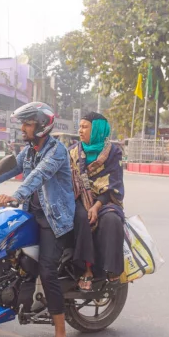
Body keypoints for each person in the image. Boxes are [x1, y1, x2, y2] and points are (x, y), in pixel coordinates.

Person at [0, 102, 74, 337]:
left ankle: (61, 336)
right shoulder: (27, 152)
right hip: (30, 215)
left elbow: (38, 175)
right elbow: (0, 174)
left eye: (28, 124)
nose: (23, 129)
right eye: (23, 124)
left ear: (41, 126)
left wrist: (16, 194)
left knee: (47, 271)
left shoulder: (57, 151)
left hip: (54, 220)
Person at [69, 112, 125, 292]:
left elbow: (113, 183)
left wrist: (96, 204)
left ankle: (112, 269)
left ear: (98, 130)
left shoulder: (113, 152)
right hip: (79, 197)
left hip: (105, 199)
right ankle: (86, 269)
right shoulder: (74, 151)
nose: (80, 130)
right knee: (81, 217)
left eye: (85, 127)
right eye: (80, 126)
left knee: (112, 220)